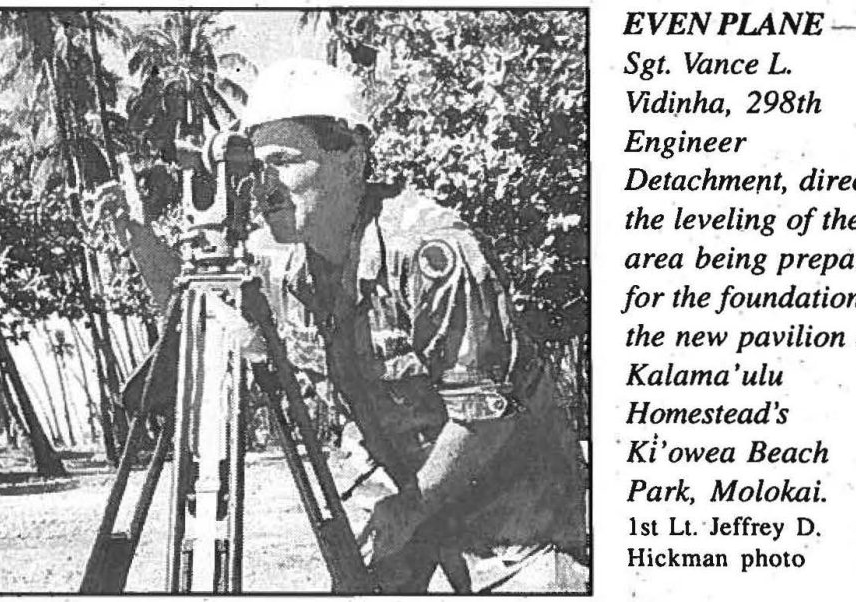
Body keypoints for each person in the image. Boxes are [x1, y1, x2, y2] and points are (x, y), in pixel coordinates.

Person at [98, 58, 586, 593]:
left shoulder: (428, 251)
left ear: (352, 160)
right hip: (408, 523)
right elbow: (196, 313)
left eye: (284, 161)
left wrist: (407, 509)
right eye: (256, 168)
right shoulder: (280, 261)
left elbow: (486, 415)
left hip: (515, 527)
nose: (264, 187)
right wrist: (138, 238)